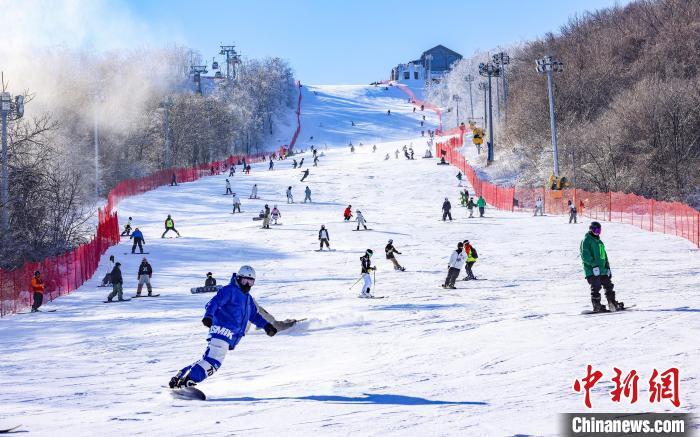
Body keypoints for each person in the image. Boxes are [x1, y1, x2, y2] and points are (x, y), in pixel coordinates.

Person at [168, 266, 278, 389]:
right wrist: (208, 316)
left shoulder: (248, 299)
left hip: (228, 334)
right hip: (223, 330)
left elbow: (254, 315)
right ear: (238, 278)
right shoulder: (230, 290)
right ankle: (188, 381)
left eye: (250, 281)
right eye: (244, 281)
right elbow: (214, 302)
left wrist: (266, 326)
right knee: (214, 362)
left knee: (208, 359)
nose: (247, 284)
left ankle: (180, 377)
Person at [580, 222, 623, 312]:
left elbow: (604, 256)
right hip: (592, 270)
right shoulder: (586, 240)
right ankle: (597, 306)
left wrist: (607, 267)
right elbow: (585, 256)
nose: (597, 232)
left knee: (608, 285)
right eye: (596, 230)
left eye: (599, 230)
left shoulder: (599, 242)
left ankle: (612, 303)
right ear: (591, 229)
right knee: (596, 286)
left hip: (602, 270)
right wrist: (593, 265)